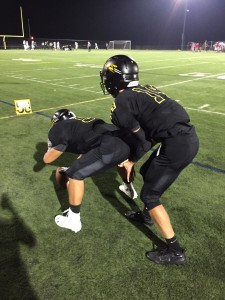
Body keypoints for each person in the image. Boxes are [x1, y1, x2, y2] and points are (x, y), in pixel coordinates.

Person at [100, 55, 199, 265]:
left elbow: (142, 138)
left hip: (176, 144)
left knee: (150, 195)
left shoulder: (122, 100)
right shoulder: (145, 89)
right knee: (147, 172)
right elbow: (152, 134)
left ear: (114, 78)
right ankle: (146, 216)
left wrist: (129, 157)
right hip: (184, 138)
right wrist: (133, 161)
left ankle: (175, 250)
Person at [43, 109, 136, 233]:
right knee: (117, 161)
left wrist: (47, 152)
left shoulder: (59, 128)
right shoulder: (82, 122)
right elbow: (88, 148)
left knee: (74, 174)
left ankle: (74, 220)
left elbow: (48, 159)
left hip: (108, 147)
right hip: (125, 142)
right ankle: (128, 188)